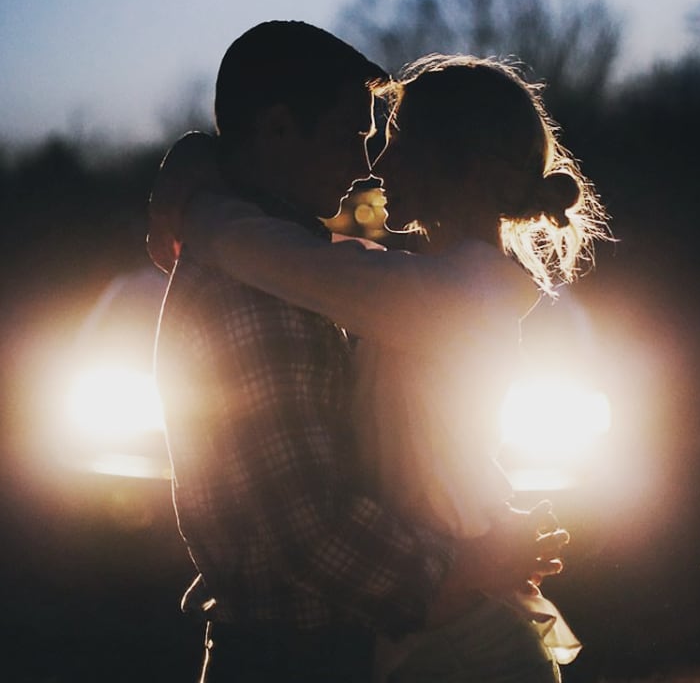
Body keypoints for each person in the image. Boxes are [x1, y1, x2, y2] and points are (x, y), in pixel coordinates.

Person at [157, 54, 610, 682]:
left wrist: (198, 200)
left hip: (460, 636)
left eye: (398, 141)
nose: (377, 164)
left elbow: (281, 258)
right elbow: (315, 261)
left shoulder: (452, 296)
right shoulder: (432, 284)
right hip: (443, 616)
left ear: (459, 165)